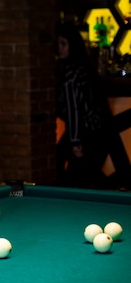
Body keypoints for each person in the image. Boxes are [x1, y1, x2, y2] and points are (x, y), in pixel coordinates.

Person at [55, 22, 111, 188]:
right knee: (80, 175)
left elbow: (74, 110)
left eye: (63, 43)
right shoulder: (83, 67)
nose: (59, 48)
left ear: (73, 44)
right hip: (95, 133)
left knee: (76, 178)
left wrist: (75, 141)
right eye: (57, 44)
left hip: (87, 134)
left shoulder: (72, 72)